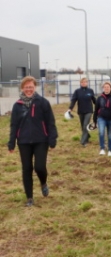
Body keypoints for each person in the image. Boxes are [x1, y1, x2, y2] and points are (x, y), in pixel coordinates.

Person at [8, 76, 58, 207]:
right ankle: (29, 197)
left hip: (41, 139)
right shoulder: (17, 105)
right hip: (23, 141)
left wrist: (52, 139)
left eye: (31, 87)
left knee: (39, 167)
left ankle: (43, 183)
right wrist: (11, 142)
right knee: (26, 169)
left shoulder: (42, 102)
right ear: (22, 88)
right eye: (26, 87)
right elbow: (14, 125)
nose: (28, 89)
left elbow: (50, 122)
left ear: (34, 87)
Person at [93, 81, 111, 156]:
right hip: (101, 118)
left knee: (110, 135)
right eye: (105, 87)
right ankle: (102, 148)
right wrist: (94, 120)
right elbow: (96, 109)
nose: (106, 88)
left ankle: (110, 149)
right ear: (103, 88)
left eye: (108, 87)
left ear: (110, 88)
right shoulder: (99, 98)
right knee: (101, 133)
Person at [68, 77, 96, 147]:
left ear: (87, 83)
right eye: (82, 82)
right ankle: (87, 136)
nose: (84, 83)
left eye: (85, 82)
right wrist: (70, 108)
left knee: (85, 125)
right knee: (82, 126)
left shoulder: (90, 91)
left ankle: (83, 141)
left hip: (89, 111)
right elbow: (73, 100)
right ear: (80, 83)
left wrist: (99, 107)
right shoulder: (77, 91)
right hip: (81, 111)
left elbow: (94, 100)